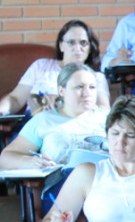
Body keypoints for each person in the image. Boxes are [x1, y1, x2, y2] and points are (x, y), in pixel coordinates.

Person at [0, 63, 109, 213]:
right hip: (61, 190)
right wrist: (29, 161)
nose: (87, 93)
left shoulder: (110, 120)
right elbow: (5, 158)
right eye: (79, 87)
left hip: (105, 186)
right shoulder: (43, 120)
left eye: (92, 87)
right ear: (61, 91)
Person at [0, 20, 110, 115]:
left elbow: (104, 110)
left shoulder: (96, 77)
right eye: (71, 42)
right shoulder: (41, 66)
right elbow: (15, 99)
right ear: (61, 45)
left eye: (83, 43)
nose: (77, 47)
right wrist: (2, 112)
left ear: (90, 48)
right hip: (35, 122)